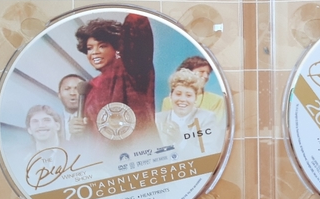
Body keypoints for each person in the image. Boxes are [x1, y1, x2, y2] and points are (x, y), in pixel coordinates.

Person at [74, 13, 158, 145]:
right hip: (104, 155)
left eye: (102, 46)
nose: (94, 52)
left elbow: (137, 22)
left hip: (139, 150)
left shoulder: (131, 70)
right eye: (89, 48)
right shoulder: (90, 87)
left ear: (117, 48)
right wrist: (78, 129)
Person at [155, 68, 221, 159]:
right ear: (170, 96)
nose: (183, 99)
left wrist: (180, 140)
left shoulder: (207, 118)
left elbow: (208, 155)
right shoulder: (157, 119)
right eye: (178, 94)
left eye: (189, 95)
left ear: (195, 98)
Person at [161, 55, 225, 122]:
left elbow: (214, 125)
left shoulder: (217, 100)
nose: (206, 76)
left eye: (208, 73)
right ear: (188, 72)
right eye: (201, 72)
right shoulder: (168, 101)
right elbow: (164, 125)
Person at [57, 74, 86, 140]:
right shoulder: (52, 122)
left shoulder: (93, 122)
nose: (72, 93)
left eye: (77, 89)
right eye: (67, 89)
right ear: (59, 95)